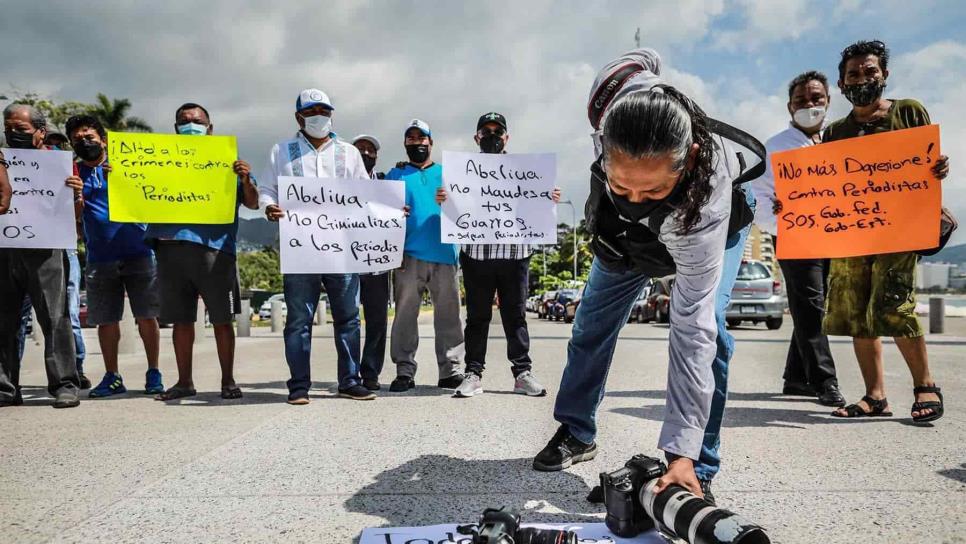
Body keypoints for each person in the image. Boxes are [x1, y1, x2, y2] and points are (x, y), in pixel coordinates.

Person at [531, 49, 762, 503]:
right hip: (625, 242)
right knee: (590, 325)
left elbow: (690, 330)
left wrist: (678, 452)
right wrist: (627, 201)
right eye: (622, 186)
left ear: (689, 158)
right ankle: (577, 431)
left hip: (699, 224)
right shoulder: (608, 97)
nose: (636, 197)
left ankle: (698, 464)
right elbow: (644, 57)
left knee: (710, 335)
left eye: (653, 188)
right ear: (602, 145)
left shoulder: (706, 190)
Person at [819, 40, 949, 422]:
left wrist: (938, 169)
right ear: (842, 84)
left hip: (900, 232)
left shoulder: (909, 111)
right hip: (852, 236)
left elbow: (926, 165)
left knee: (895, 304)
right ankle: (875, 396)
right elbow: (823, 189)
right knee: (857, 311)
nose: (863, 79)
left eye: (870, 71)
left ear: (885, 75)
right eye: (853, 74)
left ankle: (926, 385)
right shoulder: (835, 133)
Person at [260, 89, 374, 403]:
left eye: (323, 110)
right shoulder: (281, 151)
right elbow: (267, 190)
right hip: (301, 250)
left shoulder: (348, 153)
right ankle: (299, 386)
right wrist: (270, 207)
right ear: (299, 117)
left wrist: (388, 213)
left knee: (349, 317)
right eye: (311, 112)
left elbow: (366, 194)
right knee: (299, 320)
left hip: (342, 249)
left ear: (332, 115)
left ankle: (350, 381)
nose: (318, 117)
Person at [435, 112, 559, 398]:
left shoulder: (526, 170)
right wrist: (444, 200)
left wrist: (547, 196)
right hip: (477, 254)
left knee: (515, 316)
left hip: (515, 253)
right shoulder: (462, 172)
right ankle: (473, 373)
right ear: (477, 137)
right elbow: (455, 212)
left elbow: (536, 205)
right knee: (477, 318)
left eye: (497, 132)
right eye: (486, 131)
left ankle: (522, 374)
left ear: (507, 137)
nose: (492, 136)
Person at [145, 103, 258, 401]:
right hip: (170, 248)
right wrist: (119, 177)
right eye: (184, 121)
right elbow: (134, 190)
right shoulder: (157, 161)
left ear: (210, 127)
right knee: (181, 320)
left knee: (222, 319)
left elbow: (253, 203)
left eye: (196, 121)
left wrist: (245, 178)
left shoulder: (228, 162)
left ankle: (228, 380)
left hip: (216, 252)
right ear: (175, 128)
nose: (190, 125)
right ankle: (184, 382)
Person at [751, 71, 845, 407]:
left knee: (813, 307)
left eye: (816, 98)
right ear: (789, 106)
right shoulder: (774, 148)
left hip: (834, 236)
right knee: (810, 306)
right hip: (794, 235)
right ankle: (825, 382)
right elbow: (759, 196)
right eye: (801, 100)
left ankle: (796, 378)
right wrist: (779, 219)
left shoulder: (839, 140)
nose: (809, 105)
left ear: (828, 101)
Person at [64, 114, 164, 398]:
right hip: (99, 257)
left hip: (140, 252)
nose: (84, 143)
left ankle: (154, 372)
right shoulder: (72, 175)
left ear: (103, 140)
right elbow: (72, 221)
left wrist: (124, 177)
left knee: (147, 316)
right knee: (107, 320)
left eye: (90, 138)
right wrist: (77, 198)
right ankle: (112, 375)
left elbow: (154, 196)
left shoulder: (129, 166)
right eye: (78, 140)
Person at [0, 104, 80, 408]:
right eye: (9, 128)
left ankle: (65, 384)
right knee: (4, 320)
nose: (13, 134)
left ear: (40, 132)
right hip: (5, 250)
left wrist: (76, 193)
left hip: (46, 249)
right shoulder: (0, 160)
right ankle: (6, 388)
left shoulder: (57, 165)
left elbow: (73, 215)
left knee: (54, 317)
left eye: (21, 129)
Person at [386, 119, 464, 393]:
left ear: (431, 142)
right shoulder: (393, 176)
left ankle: (450, 370)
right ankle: (404, 370)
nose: (417, 142)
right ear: (405, 143)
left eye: (422, 138)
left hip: (445, 253)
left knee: (449, 315)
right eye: (411, 138)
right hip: (407, 255)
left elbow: (469, 206)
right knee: (405, 315)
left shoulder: (449, 173)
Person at [352, 134, 390, 390]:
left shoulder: (387, 184)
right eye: (360, 149)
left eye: (370, 149)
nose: (366, 153)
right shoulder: (338, 183)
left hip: (377, 262)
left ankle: (371, 372)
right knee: (349, 320)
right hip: (348, 264)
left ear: (377, 155)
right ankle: (349, 372)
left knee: (377, 321)